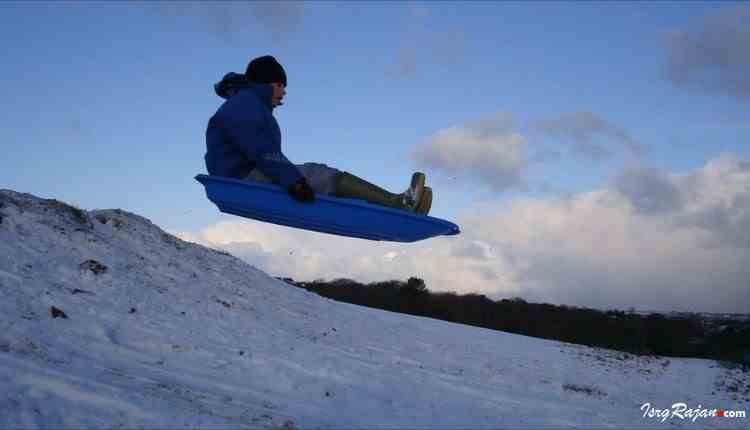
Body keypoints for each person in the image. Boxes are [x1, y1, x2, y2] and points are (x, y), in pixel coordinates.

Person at [205, 55, 432, 215]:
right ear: (267, 84)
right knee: (318, 175)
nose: (284, 91)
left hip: (240, 173)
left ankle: (391, 203)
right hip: (240, 178)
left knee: (315, 176)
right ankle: (398, 203)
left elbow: (262, 152)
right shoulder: (245, 104)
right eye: (280, 84)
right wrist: (294, 182)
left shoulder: (247, 103)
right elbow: (263, 151)